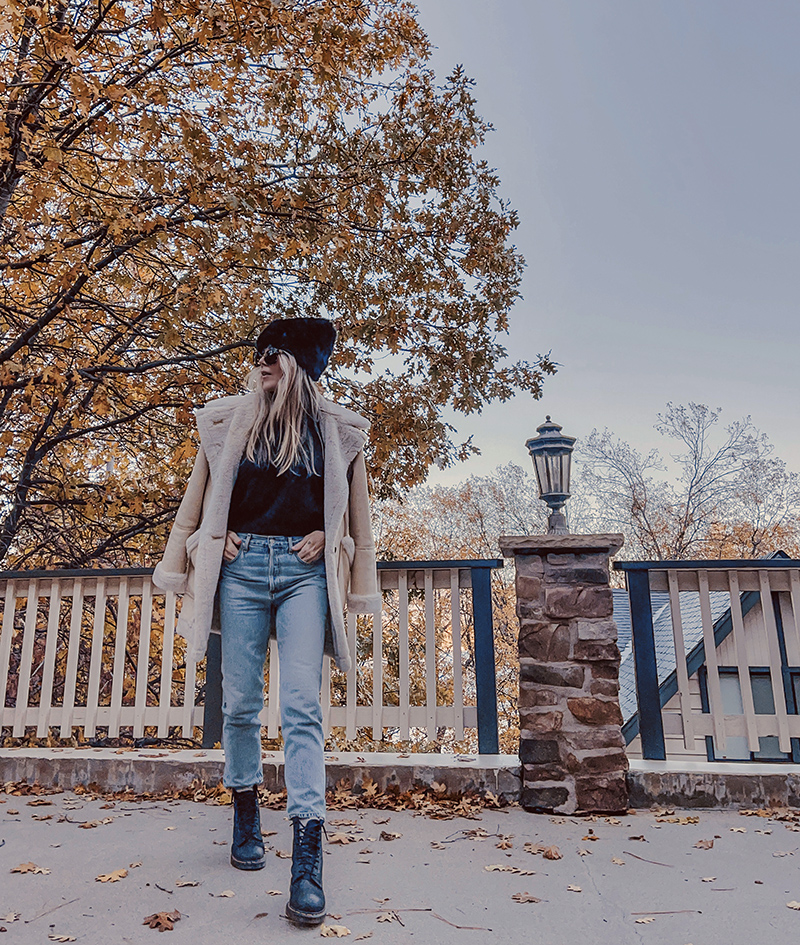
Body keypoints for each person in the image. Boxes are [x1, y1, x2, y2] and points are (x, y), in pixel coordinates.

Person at [153, 317, 380, 926]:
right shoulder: (228, 421)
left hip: (306, 573)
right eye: (258, 354)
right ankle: (247, 811)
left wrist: (328, 537)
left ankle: (308, 852)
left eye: (273, 355)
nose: (261, 363)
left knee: (303, 705)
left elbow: (354, 519)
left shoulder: (336, 431)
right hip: (243, 569)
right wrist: (209, 540)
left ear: (302, 364)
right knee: (240, 704)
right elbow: (199, 501)